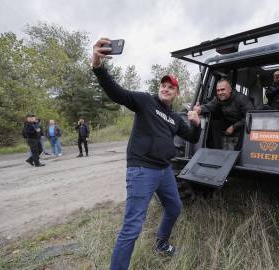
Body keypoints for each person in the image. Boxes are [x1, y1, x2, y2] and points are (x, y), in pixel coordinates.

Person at [92, 37, 202, 270]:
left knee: (174, 208)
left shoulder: (174, 118)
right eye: (163, 85)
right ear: (159, 88)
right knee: (132, 228)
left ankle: (161, 244)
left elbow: (192, 137)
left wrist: (196, 123)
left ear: (176, 93)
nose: (165, 88)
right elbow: (116, 92)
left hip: (163, 171)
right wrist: (98, 66)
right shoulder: (145, 101)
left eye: (171, 87)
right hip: (142, 170)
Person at [193, 78, 254, 150]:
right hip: (228, 122)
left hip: (242, 124)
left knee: (244, 128)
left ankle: (238, 152)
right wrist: (200, 109)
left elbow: (251, 116)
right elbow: (210, 106)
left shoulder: (241, 99)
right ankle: (217, 150)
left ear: (230, 90)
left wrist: (234, 127)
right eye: (218, 90)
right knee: (215, 123)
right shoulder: (218, 99)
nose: (220, 93)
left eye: (223, 89)